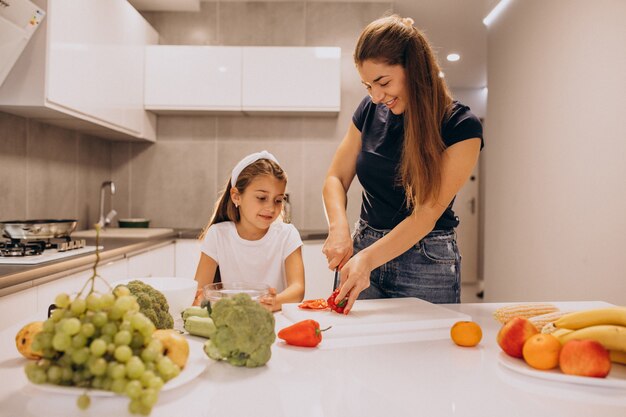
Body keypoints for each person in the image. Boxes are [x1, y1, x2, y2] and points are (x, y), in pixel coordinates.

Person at [322, 14, 484, 314]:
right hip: (363, 247)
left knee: (427, 358)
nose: (376, 96)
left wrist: (368, 260)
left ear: (414, 69)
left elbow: (426, 214)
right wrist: (339, 228)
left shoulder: (461, 127)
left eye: (383, 82)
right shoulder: (369, 111)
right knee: (353, 355)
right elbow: (335, 177)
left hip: (427, 261)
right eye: (368, 85)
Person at [193, 150, 305, 311]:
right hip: (231, 319)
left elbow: (298, 290)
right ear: (236, 196)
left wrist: (275, 301)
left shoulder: (287, 235)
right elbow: (200, 292)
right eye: (261, 198)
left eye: (278, 200)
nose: (271, 208)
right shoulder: (218, 235)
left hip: (275, 320)